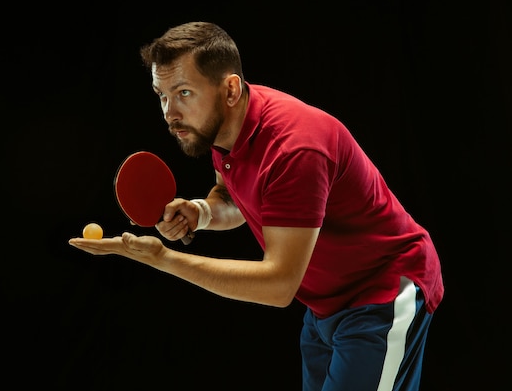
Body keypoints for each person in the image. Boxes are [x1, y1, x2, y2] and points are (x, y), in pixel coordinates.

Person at [69, 21, 444, 391]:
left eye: (183, 93)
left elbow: (279, 285)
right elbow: (233, 196)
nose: (169, 112)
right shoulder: (222, 127)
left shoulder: (296, 150)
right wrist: (201, 212)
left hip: (382, 291)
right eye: (162, 95)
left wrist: (162, 258)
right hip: (324, 305)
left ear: (230, 88)